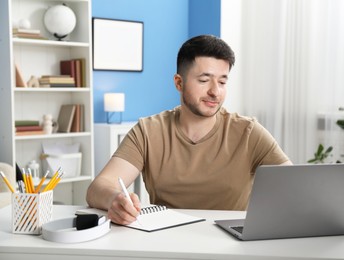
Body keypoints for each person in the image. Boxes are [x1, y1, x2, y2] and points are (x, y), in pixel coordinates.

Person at [86, 35, 292, 225]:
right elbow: (99, 187)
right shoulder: (148, 131)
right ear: (179, 82)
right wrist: (115, 199)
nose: (215, 91)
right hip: (168, 238)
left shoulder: (248, 132)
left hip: (231, 245)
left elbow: (295, 185)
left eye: (222, 81)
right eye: (204, 80)